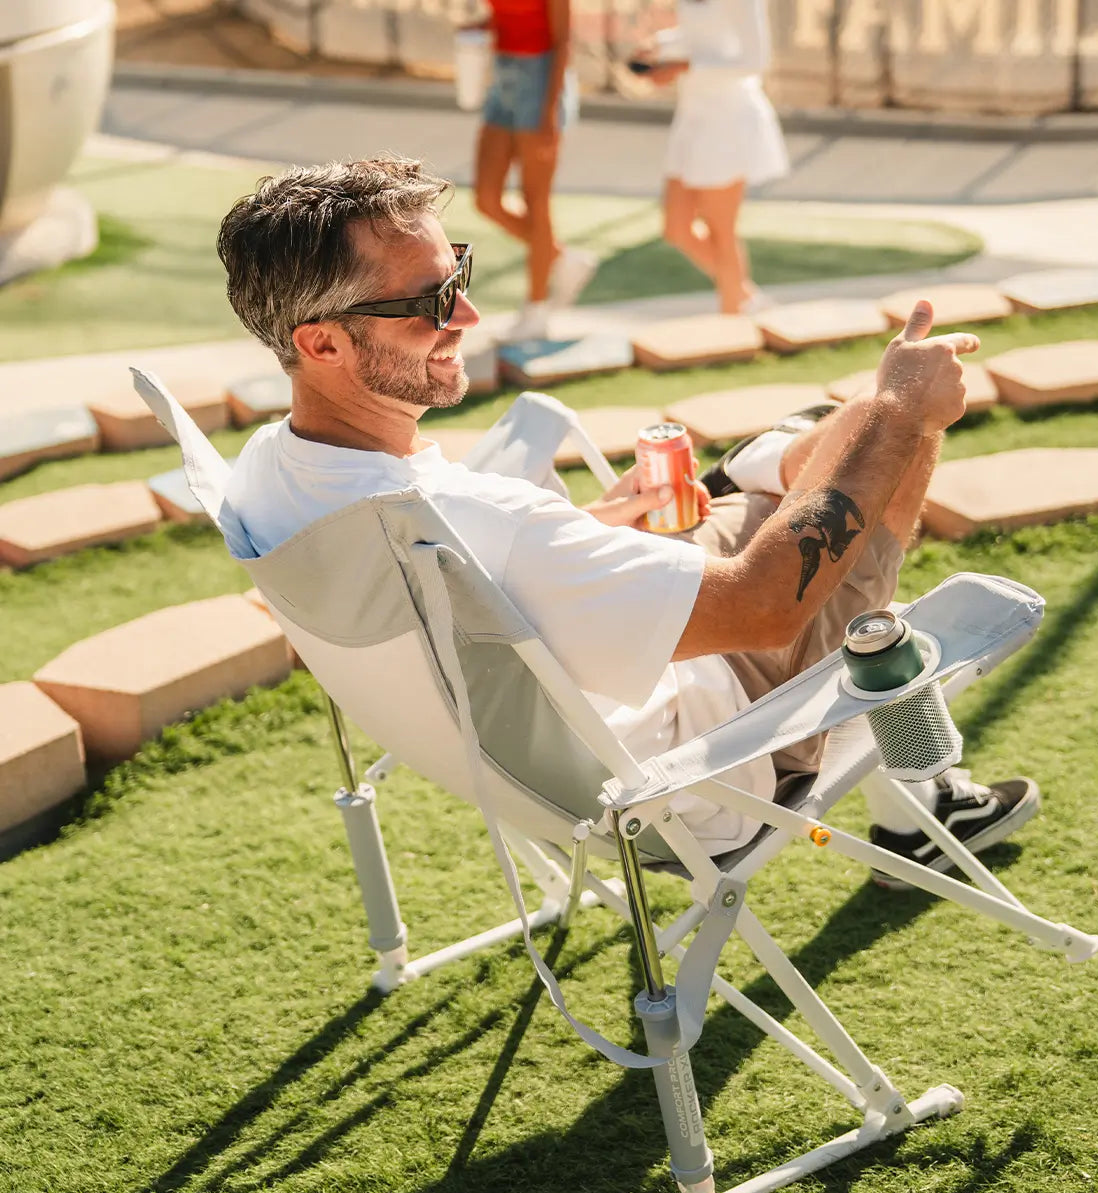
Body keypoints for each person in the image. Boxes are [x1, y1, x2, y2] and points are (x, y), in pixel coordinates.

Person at [215, 156, 1038, 875]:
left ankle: (780, 461)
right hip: (706, 772)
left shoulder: (271, 475)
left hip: (557, 765)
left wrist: (582, 539)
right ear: (322, 345)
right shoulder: (484, 522)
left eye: (457, 275)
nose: (466, 316)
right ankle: (920, 815)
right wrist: (899, 411)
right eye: (429, 302)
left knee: (822, 447)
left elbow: (485, 578)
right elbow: (763, 608)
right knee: (878, 443)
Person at [634, 0, 788, 315]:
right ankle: (746, 297)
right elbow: (702, 33)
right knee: (676, 227)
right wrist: (660, 46)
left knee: (720, 229)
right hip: (693, 115)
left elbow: (754, 61)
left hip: (728, 120)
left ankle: (735, 313)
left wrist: (684, 66)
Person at [469, 0, 596, 342]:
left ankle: (537, 311)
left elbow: (563, 40)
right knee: (486, 199)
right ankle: (560, 257)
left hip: (540, 81)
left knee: (535, 202)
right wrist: (483, 28)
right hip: (502, 75)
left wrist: (550, 110)